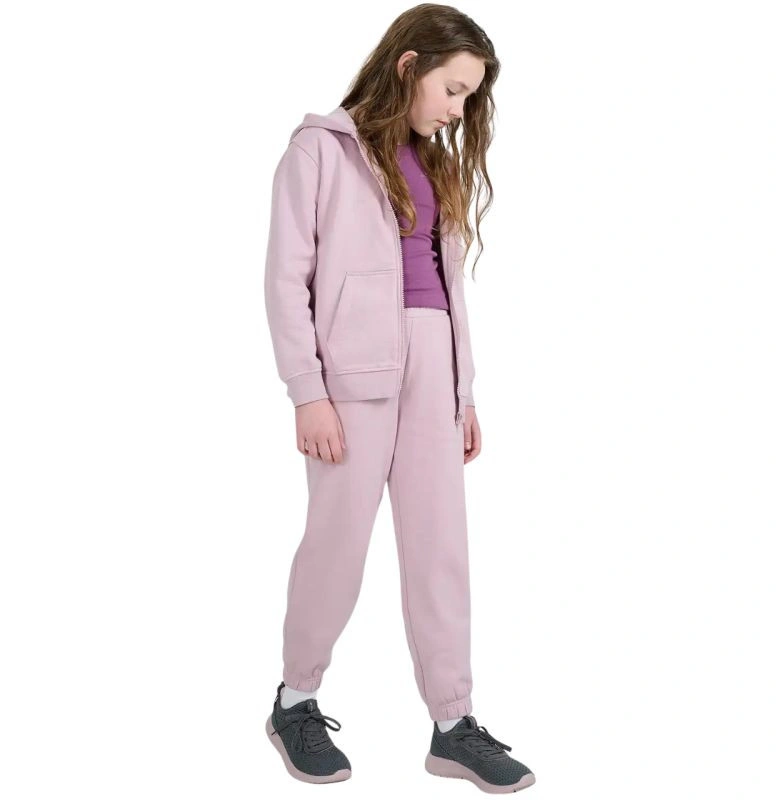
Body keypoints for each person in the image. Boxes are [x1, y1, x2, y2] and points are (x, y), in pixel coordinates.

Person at [262, 4, 535, 793]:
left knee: (440, 548)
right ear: (409, 64)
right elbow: (286, 280)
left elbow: (448, 289)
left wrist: (462, 389)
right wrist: (307, 392)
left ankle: (453, 723)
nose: (458, 110)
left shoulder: (433, 161)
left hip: (433, 368)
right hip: (350, 378)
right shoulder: (318, 150)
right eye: (453, 90)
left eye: (469, 98)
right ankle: (295, 700)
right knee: (337, 544)